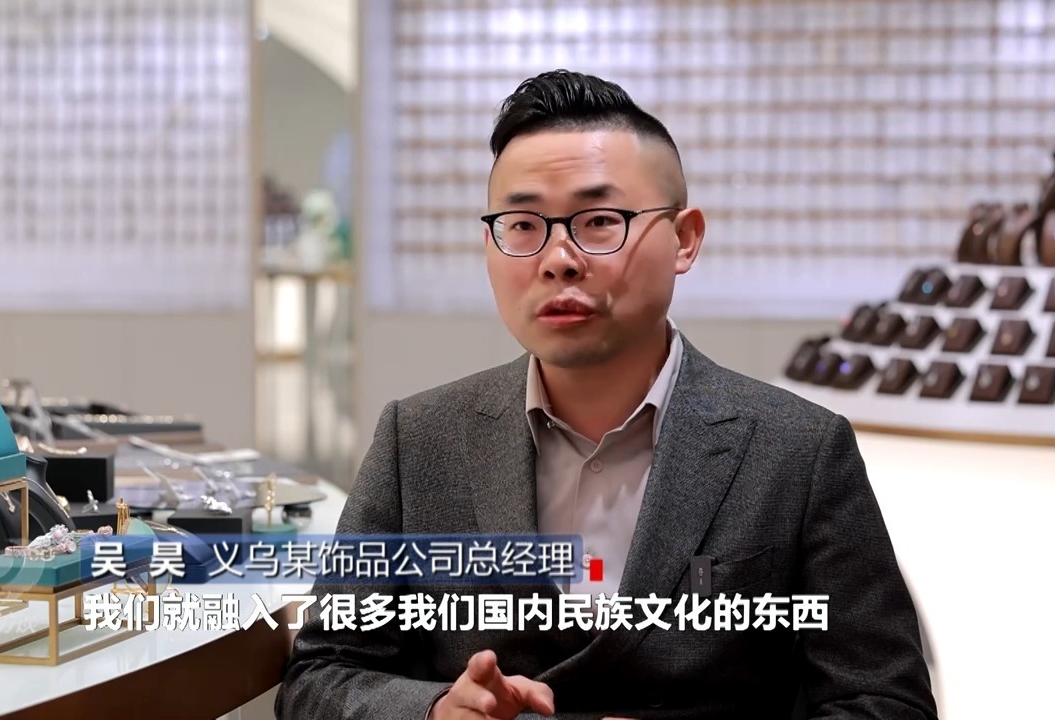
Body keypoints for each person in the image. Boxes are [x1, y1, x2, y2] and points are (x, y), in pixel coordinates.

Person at [276, 70, 937, 719]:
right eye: (523, 225)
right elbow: (321, 676)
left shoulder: (798, 450)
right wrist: (435, 711)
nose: (558, 258)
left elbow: (884, 700)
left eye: (599, 221)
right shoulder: (421, 438)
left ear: (684, 239)